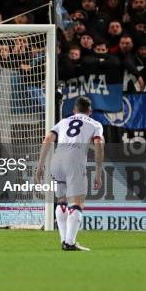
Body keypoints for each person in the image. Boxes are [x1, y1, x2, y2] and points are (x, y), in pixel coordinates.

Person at [36, 96, 104, 251]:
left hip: (56, 160)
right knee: (77, 203)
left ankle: (64, 240)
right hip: (74, 161)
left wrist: (40, 165)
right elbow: (99, 144)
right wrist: (98, 171)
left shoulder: (63, 121)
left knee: (61, 200)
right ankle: (70, 242)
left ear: (74, 110)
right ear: (90, 111)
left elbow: (47, 138)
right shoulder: (95, 124)